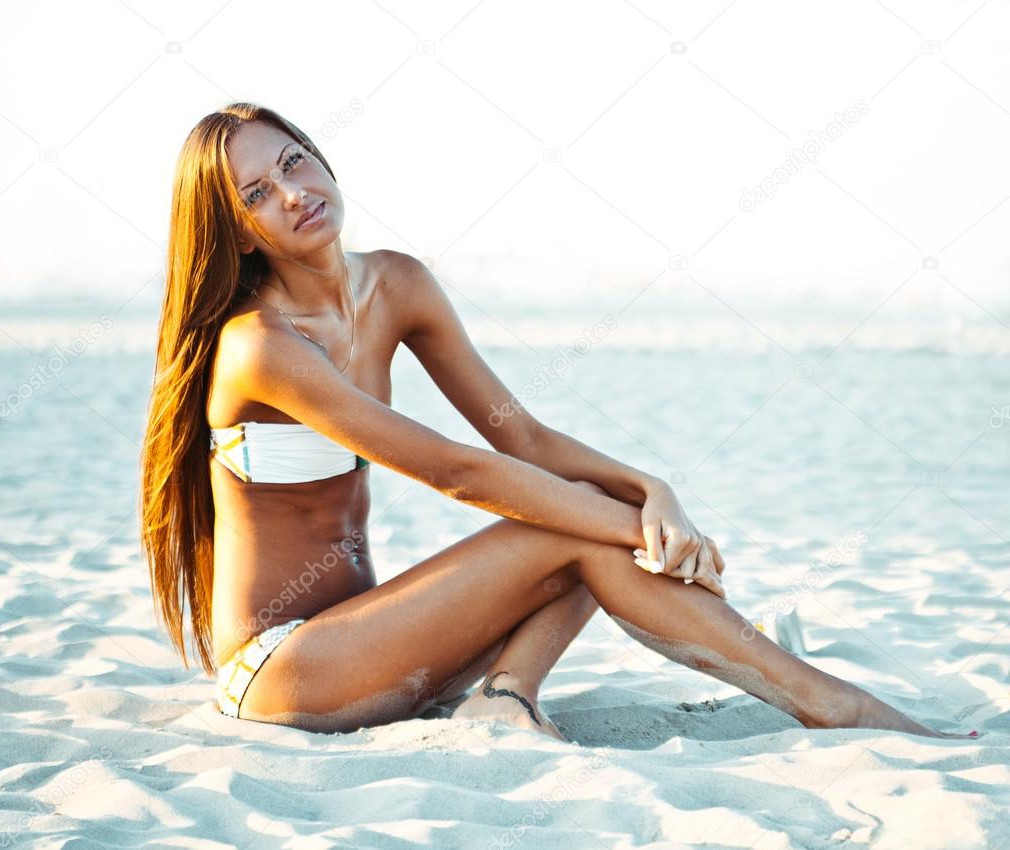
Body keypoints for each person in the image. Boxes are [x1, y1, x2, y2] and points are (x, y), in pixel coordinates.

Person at [139, 102, 976, 742]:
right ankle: (827, 701)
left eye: (294, 161)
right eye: (257, 193)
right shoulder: (259, 347)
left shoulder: (396, 284)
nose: (294, 193)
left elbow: (522, 439)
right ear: (239, 234)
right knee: (573, 525)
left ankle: (506, 699)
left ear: (321, 157)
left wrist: (655, 493)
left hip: (381, 642)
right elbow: (456, 473)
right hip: (284, 669)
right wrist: (638, 534)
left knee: (570, 503)